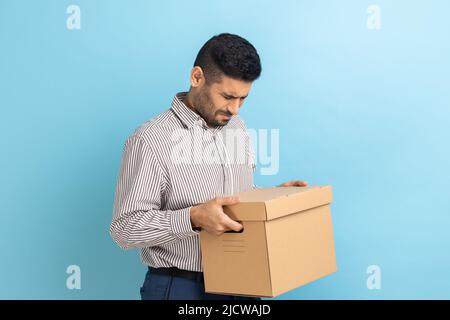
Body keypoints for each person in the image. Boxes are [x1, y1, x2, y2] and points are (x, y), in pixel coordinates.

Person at [110, 33, 307, 300]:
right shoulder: (149, 140)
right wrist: (192, 218)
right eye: (227, 96)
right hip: (181, 287)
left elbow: (238, 195)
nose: (235, 109)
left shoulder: (236, 126)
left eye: (243, 99)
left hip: (244, 281)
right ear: (197, 78)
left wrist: (273, 198)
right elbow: (125, 228)